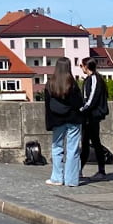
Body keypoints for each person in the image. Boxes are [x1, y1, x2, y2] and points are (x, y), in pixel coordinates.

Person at [43, 57, 83, 187]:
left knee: (57, 148)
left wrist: (49, 123)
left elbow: (47, 105)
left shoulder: (50, 84)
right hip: (73, 119)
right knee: (73, 150)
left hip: (57, 119)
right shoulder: (73, 84)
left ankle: (57, 178)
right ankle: (71, 180)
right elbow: (79, 103)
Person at [79, 57, 110, 178]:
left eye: (81, 66)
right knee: (87, 142)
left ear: (86, 66)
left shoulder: (94, 79)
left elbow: (92, 98)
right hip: (88, 115)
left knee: (93, 142)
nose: (81, 68)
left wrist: (82, 109)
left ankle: (101, 170)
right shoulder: (89, 79)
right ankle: (81, 169)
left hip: (92, 115)